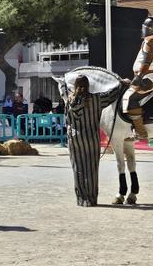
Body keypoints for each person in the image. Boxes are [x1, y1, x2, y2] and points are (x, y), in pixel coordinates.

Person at [122, 17, 153, 139]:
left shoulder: (150, 41)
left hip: (151, 78)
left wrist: (138, 77)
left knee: (129, 98)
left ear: (152, 29)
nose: (143, 30)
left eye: (146, 28)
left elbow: (147, 62)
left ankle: (140, 132)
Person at [65, 75, 104, 207]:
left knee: (78, 169)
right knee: (92, 170)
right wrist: (123, 83)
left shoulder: (70, 100)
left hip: (76, 140)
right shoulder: (97, 98)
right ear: (88, 85)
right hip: (92, 139)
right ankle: (92, 199)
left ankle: (82, 199)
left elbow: (67, 120)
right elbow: (113, 94)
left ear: (75, 85)